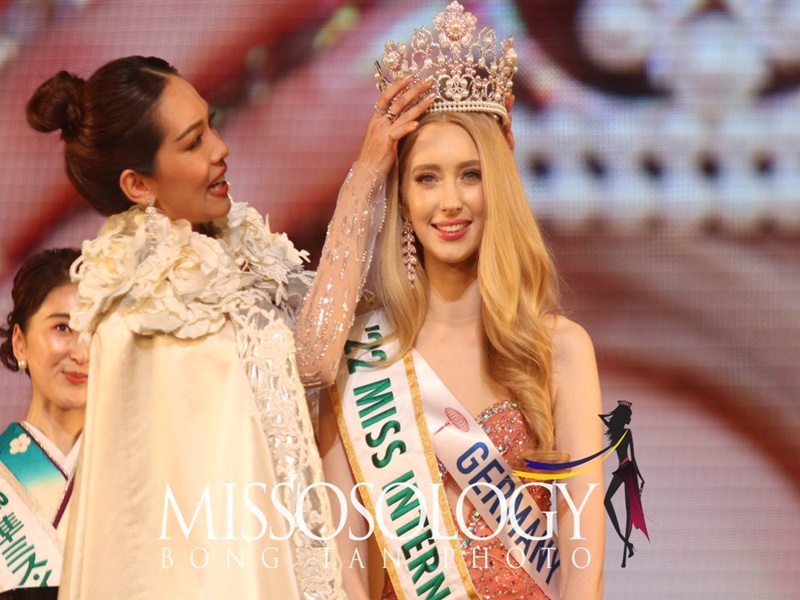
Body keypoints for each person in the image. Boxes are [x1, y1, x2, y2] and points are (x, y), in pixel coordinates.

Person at [25, 55, 433, 599]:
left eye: (211, 124)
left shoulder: (232, 249)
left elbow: (334, 338)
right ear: (138, 184)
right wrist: (364, 177)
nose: (220, 148)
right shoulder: (143, 310)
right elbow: (310, 361)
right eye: (193, 142)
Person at [320, 3, 604, 599]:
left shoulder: (558, 347)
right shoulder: (359, 356)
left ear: (496, 185)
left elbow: (584, 557)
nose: (450, 201)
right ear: (402, 195)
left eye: (470, 174)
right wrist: (364, 175)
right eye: (427, 177)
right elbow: (344, 566)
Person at [0, 248, 86, 596]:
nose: (81, 352)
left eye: (95, 330)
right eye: (62, 327)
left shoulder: (136, 476)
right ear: (19, 342)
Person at [600, 401, 647, 568]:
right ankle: (627, 543)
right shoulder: (617, 430)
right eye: (629, 415)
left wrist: (641, 478)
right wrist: (613, 413)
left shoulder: (625, 432)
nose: (630, 419)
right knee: (607, 501)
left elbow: (633, 457)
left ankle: (625, 555)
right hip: (622, 469)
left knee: (629, 511)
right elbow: (601, 417)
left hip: (628, 469)